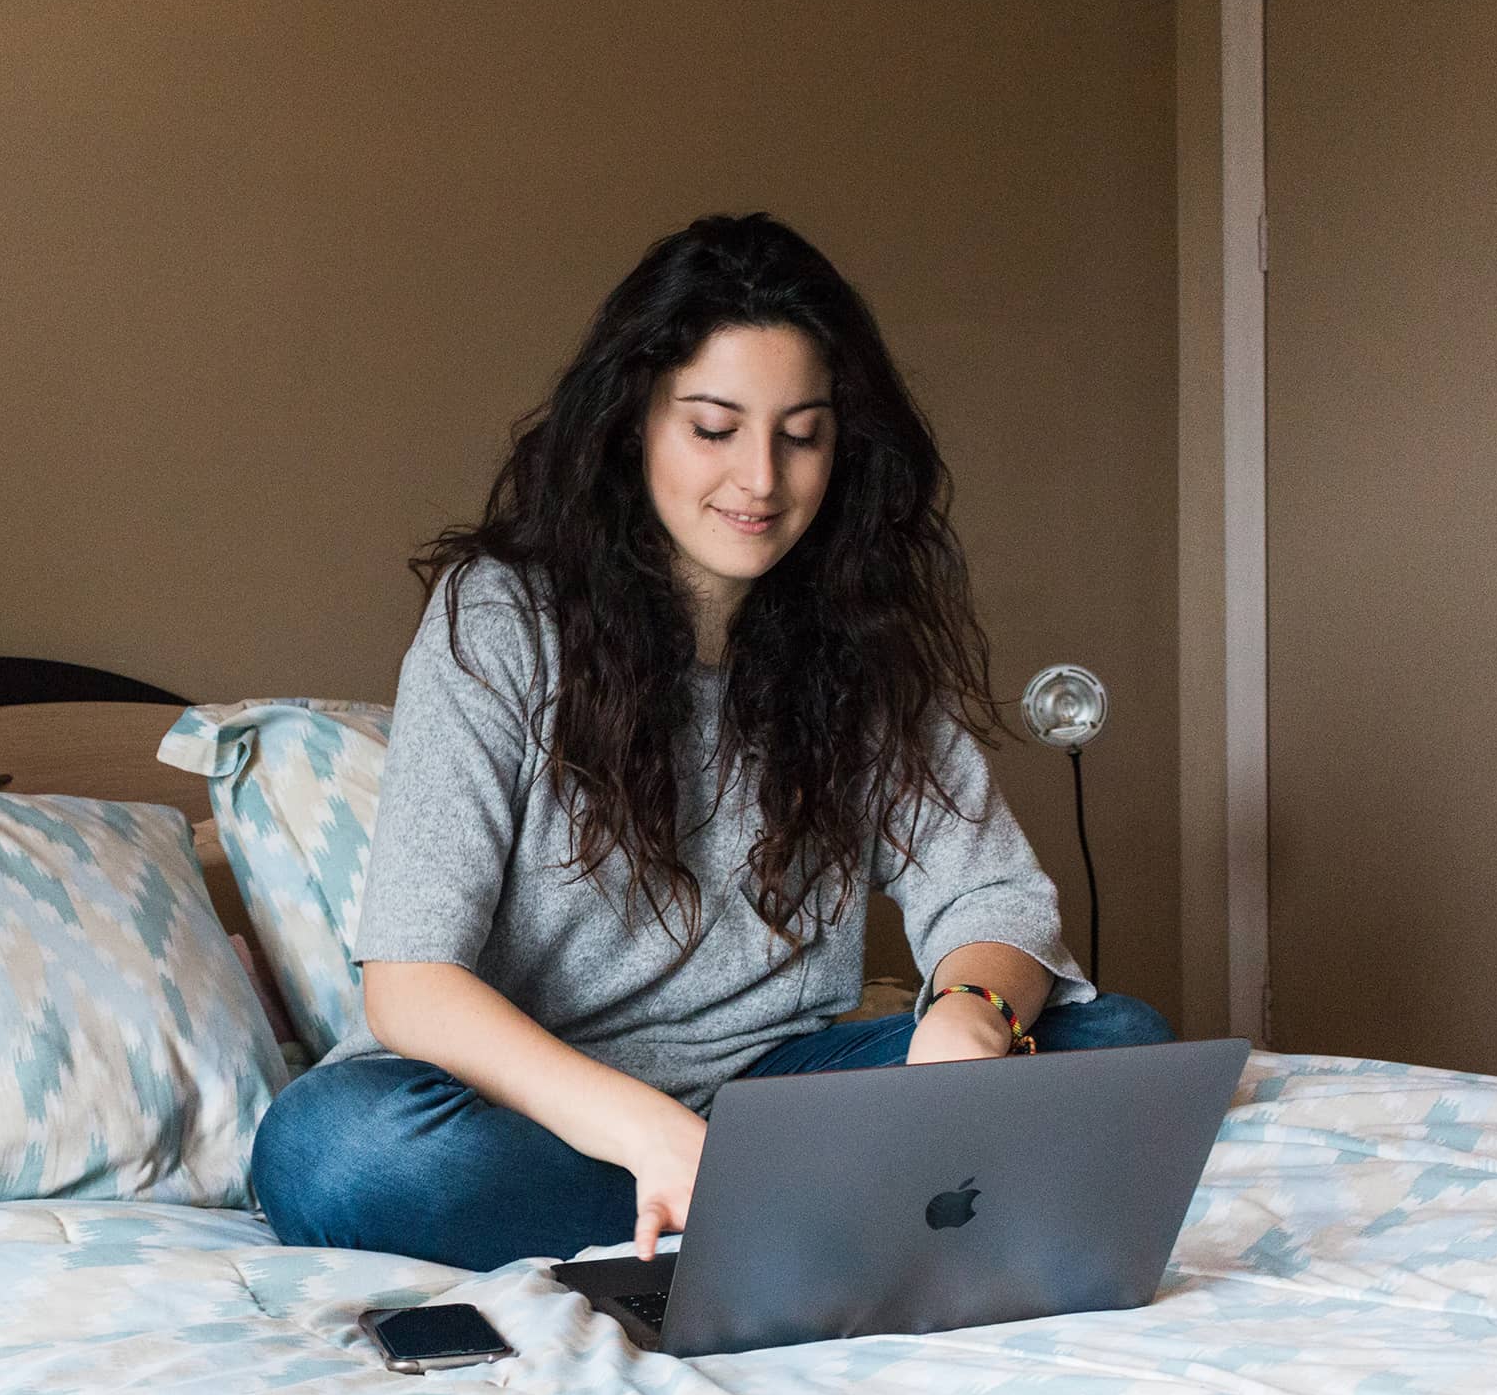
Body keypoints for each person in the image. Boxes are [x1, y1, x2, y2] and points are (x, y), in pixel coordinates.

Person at [249, 212, 1174, 1274]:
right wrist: (647, 1133)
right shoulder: (497, 618)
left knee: (1119, 1041)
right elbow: (412, 983)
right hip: (531, 1113)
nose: (761, 479)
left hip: (772, 1092)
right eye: (714, 428)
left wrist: (968, 1015)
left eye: (801, 434)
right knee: (338, 1155)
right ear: (634, 421)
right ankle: (824, 1205)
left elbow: (994, 895)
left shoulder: (857, 638)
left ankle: (757, 1209)